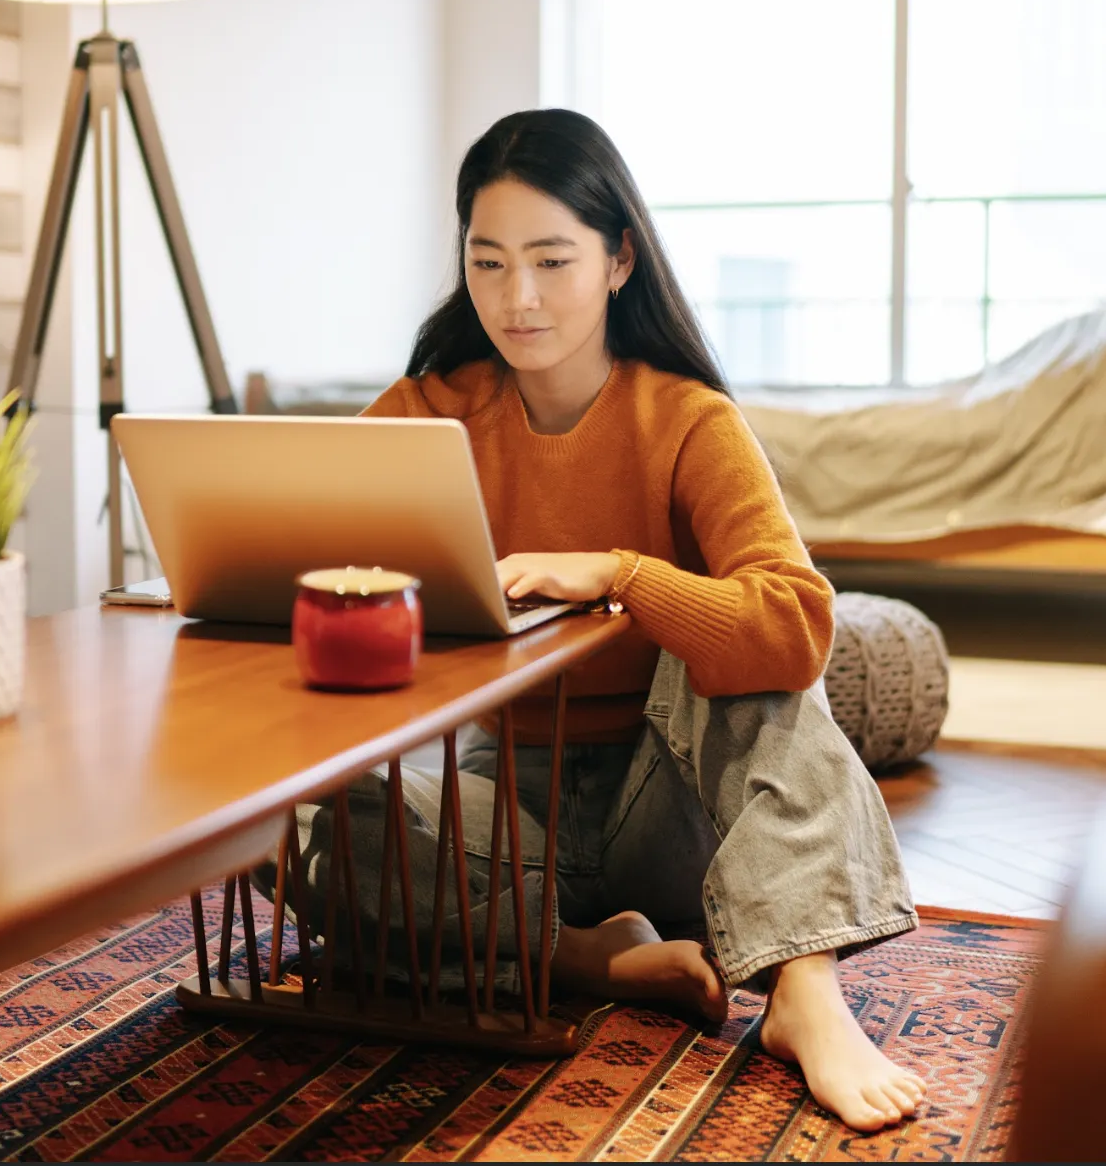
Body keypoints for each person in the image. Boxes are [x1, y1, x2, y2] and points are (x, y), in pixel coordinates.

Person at [299, 107, 925, 1132]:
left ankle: (804, 992)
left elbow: (798, 628)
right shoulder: (424, 412)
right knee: (293, 820)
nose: (518, 297)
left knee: (739, 653)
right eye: (488, 262)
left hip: (666, 807)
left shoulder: (684, 420)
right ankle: (577, 953)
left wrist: (624, 575)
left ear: (619, 259)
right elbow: (310, 553)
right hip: (497, 810)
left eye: (550, 260)